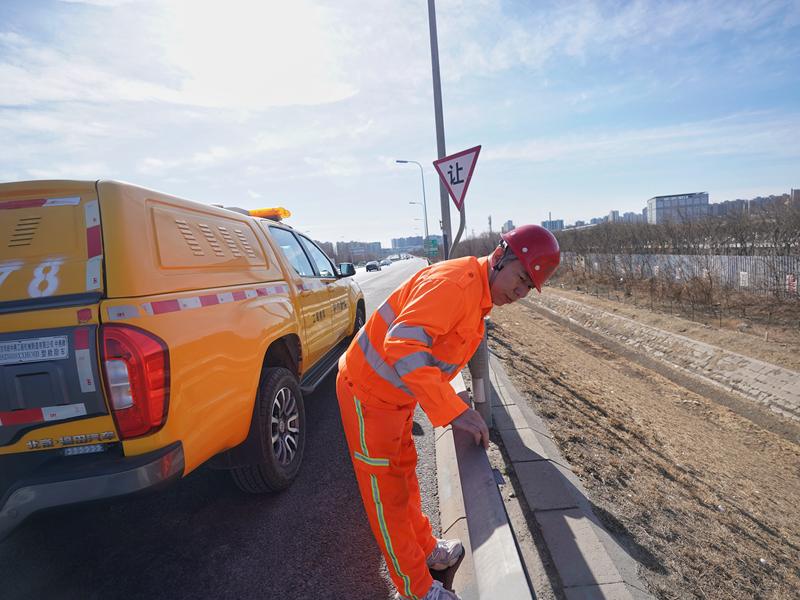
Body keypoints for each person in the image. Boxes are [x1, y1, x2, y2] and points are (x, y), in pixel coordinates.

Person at [336, 225, 560, 600]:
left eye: (528, 288)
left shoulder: (477, 292)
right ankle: (416, 589)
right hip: (368, 393)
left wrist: (446, 405)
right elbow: (403, 344)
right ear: (501, 255)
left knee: (405, 476)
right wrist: (454, 411)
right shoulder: (456, 286)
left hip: (395, 396)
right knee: (387, 496)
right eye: (520, 278)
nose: (519, 293)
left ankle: (425, 549)